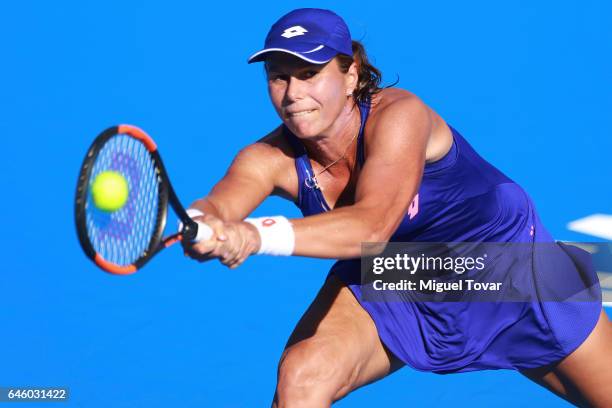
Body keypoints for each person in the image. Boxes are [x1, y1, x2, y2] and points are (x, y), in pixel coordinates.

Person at [183, 8, 612, 407]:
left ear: (350, 74)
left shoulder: (401, 115)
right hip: (397, 273)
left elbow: (370, 228)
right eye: (279, 78)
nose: (293, 93)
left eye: (310, 74)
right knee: (302, 377)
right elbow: (222, 202)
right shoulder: (266, 158)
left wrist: (257, 235)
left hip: (504, 267)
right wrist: (205, 222)